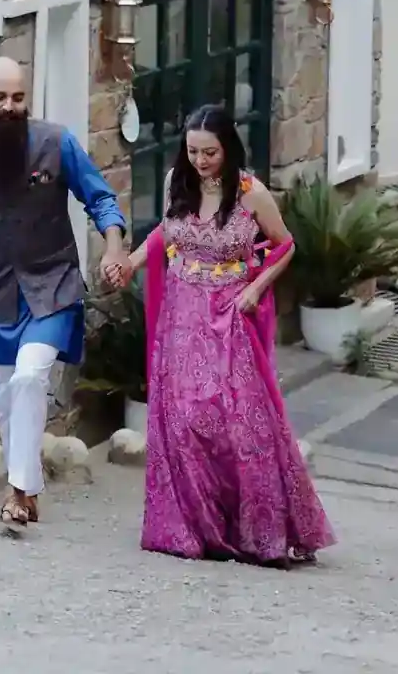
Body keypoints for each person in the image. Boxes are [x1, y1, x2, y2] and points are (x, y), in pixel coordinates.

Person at [119, 104, 336, 565]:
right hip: (180, 312)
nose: (200, 161)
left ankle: (259, 529)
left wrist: (256, 287)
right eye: (192, 151)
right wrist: (132, 263)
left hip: (229, 311)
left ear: (228, 147)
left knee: (237, 419)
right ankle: (193, 528)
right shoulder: (176, 183)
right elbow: (167, 232)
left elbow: (285, 244)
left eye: (209, 152)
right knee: (182, 418)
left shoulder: (250, 193)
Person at [0, 55, 127, 528]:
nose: (9, 107)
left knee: (29, 376)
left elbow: (99, 197)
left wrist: (114, 246)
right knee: (6, 395)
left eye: (17, 98)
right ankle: (25, 486)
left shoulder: (56, 143)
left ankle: (19, 492)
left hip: (53, 283)